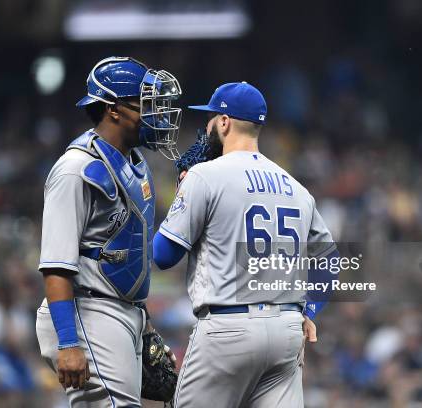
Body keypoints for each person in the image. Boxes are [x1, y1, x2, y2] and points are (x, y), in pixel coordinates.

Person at [153, 82, 339, 407]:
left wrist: (185, 189)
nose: (207, 127)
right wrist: (309, 310)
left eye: (210, 119)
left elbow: (163, 255)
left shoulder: (204, 175)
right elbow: (330, 261)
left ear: (224, 122)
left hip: (228, 329)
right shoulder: (296, 187)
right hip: (286, 330)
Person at [35, 56, 181, 407]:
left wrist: (143, 324)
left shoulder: (133, 163)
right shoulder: (76, 169)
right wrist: (68, 342)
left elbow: (127, 253)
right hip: (86, 311)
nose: (155, 115)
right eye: (145, 105)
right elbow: (56, 264)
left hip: (121, 312)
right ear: (114, 111)